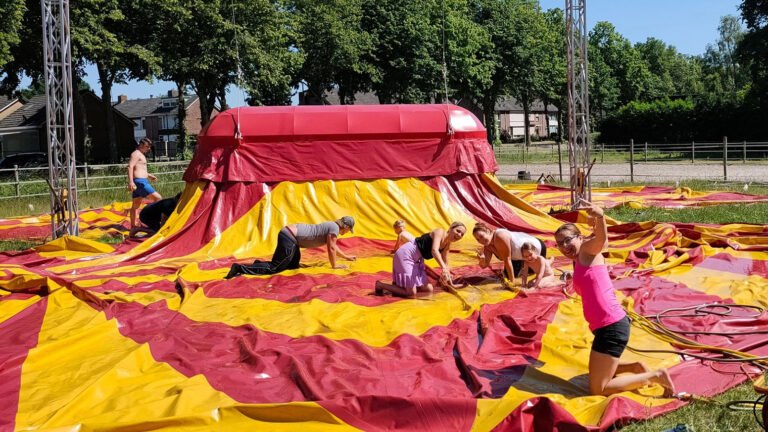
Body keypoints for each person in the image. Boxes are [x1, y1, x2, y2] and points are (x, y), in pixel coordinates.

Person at [555, 200, 674, 396]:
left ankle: (656, 376)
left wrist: (600, 216)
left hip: (611, 327)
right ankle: (636, 367)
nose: (564, 246)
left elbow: (601, 240)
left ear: (580, 237)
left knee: (598, 389)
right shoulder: (580, 259)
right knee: (599, 372)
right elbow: (603, 245)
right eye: (560, 243)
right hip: (606, 326)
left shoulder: (586, 250)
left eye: (568, 240)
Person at [225, 216, 357, 278]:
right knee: (274, 268)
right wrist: (335, 266)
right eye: (348, 230)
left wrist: (347, 257)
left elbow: (334, 246)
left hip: (292, 237)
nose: (345, 233)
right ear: (345, 227)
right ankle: (239, 268)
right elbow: (332, 249)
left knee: (292, 266)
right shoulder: (334, 228)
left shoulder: (332, 225)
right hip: (290, 237)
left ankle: (258, 264)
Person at [375, 221, 466, 297]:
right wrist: (444, 268)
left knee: (429, 289)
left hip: (417, 260)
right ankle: (380, 285)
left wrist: (451, 283)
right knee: (411, 293)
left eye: (462, 234)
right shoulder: (440, 232)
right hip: (405, 255)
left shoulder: (447, 244)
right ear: (450, 228)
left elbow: (446, 264)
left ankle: (401, 286)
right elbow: (434, 250)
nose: (459, 235)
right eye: (458, 231)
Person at [473, 223, 547, 287]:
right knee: (507, 276)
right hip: (519, 257)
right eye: (478, 239)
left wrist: (512, 283)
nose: (481, 241)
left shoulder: (499, 236)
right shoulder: (488, 246)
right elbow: (484, 265)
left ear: (488, 231)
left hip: (536, 249)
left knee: (534, 273)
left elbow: (507, 260)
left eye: (481, 236)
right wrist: (481, 259)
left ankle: (547, 261)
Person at [128, 138, 162, 237]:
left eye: (149, 147)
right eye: (147, 146)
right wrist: (130, 182)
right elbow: (130, 166)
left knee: (135, 206)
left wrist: (149, 175)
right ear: (141, 145)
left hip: (141, 181)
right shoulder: (136, 154)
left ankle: (133, 227)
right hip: (140, 183)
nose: (148, 148)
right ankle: (154, 223)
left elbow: (139, 169)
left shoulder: (141, 155)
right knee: (158, 199)